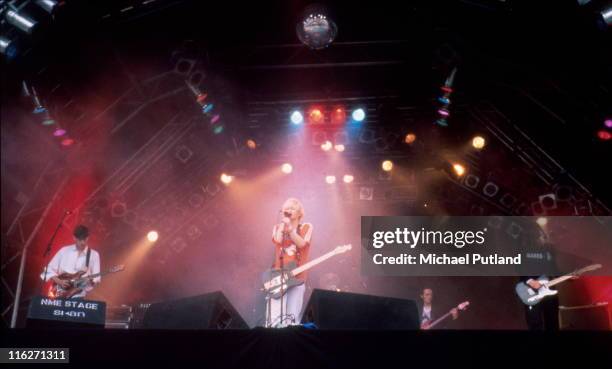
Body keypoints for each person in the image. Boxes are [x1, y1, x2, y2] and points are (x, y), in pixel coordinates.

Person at [265, 198, 313, 327]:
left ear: (299, 213)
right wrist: (283, 225)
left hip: (298, 276)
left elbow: (302, 244)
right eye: (286, 208)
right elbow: (278, 240)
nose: (288, 211)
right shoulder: (277, 227)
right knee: (274, 317)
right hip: (278, 275)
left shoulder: (306, 227)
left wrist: (291, 229)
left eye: (292, 208)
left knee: (292, 318)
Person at [40, 225, 101, 299]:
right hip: (58, 293)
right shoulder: (64, 251)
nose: (82, 243)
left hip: (79, 296)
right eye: (79, 239)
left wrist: (90, 282)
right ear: (74, 238)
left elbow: (96, 278)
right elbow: (48, 270)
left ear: (87, 238)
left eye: (84, 239)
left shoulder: (94, 255)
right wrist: (59, 281)